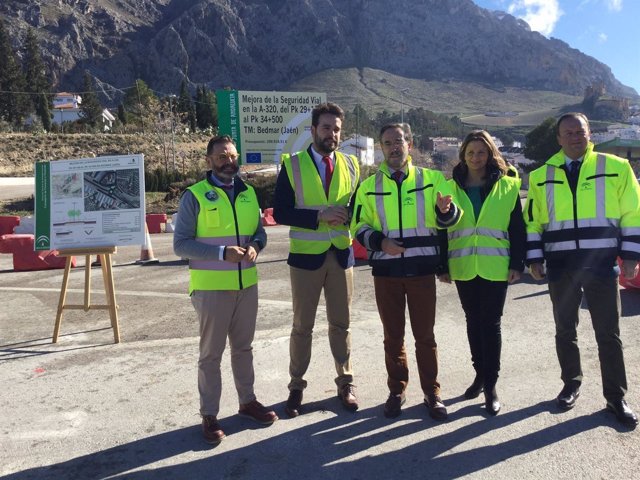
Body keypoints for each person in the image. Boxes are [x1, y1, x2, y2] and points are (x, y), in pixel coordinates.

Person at [525, 112, 640, 426]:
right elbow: (532, 223)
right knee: (565, 330)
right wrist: (535, 260)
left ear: (591, 134)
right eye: (568, 132)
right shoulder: (540, 175)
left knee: (609, 334)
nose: (575, 137)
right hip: (561, 267)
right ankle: (571, 383)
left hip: (601, 265)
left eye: (581, 131)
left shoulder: (616, 168)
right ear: (559, 138)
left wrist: (631, 255)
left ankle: (616, 397)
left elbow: (633, 214)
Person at [351, 123, 461, 420]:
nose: (394, 147)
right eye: (387, 143)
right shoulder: (368, 186)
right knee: (392, 337)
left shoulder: (433, 178)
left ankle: (432, 392)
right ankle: (397, 390)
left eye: (398, 141)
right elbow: (357, 227)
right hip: (386, 273)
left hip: (422, 271)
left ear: (409, 144)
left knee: (425, 336)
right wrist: (379, 241)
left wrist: (444, 211)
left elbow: (454, 217)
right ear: (382, 148)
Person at [173, 135, 278, 444]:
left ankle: (247, 402)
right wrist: (222, 254)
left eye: (232, 156)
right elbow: (180, 244)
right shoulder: (195, 196)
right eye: (221, 157)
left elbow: (259, 233)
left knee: (244, 349)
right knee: (211, 356)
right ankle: (209, 415)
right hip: (211, 289)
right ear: (209, 161)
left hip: (247, 285)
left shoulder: (249, 194)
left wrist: (256, 247)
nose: (229, 161)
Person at [273, 102, 361, 417]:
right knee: (302, 327)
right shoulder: (293, 165)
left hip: (341, 256)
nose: (331, 134)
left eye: (336, 129)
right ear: (313, 130)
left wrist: (349, 215)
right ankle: (296, 386)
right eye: (325, 127)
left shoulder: (352, 165)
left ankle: (346, 382)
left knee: (342, 324)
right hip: (306, 259)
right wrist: (319, 215)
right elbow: (280, 211)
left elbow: (359, 209)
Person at [439, 130, 526, 415]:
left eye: (481, 152)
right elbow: (440, 228)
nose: (476, 158)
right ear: (463, 155)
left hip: (495, 266)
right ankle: (479, 373)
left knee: (491, 324)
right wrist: (442, 265)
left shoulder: (509, 186)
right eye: (470, 153)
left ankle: (491, 385)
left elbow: (517, 229)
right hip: (464, 265)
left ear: (490, 154)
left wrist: (517, 263)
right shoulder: (449, 187)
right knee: (473, 322)